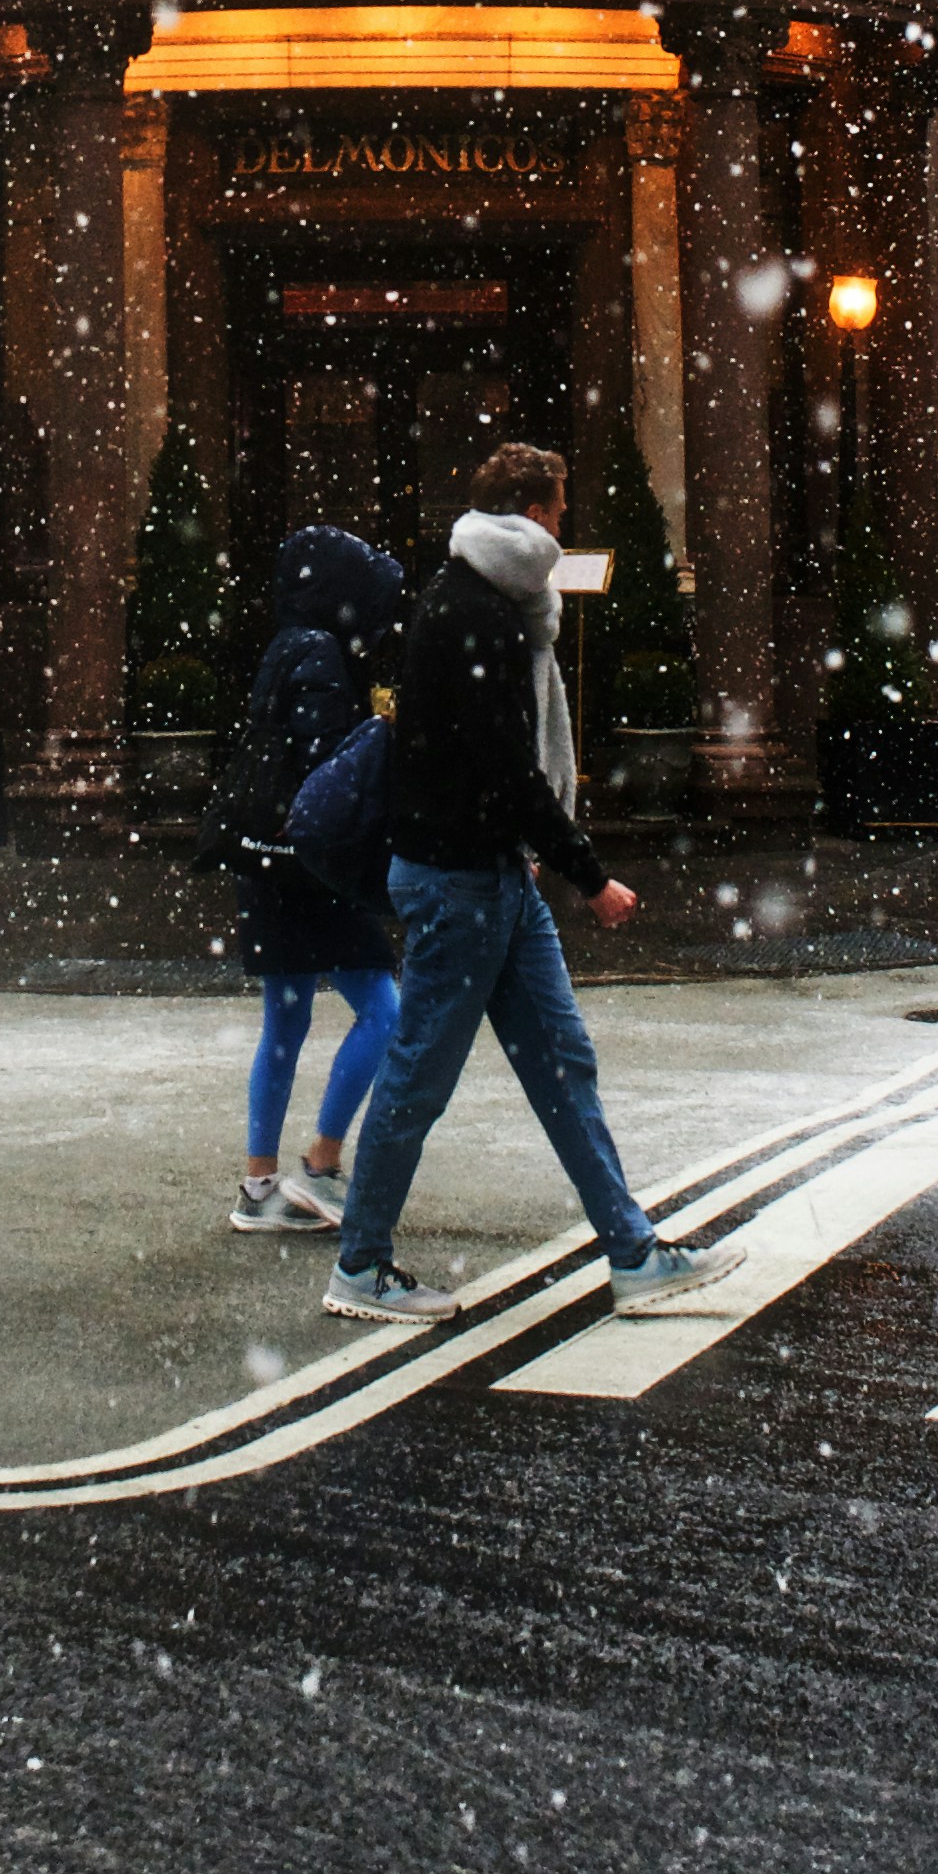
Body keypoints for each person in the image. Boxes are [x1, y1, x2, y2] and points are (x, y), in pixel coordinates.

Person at [324, 441, 740, 1327]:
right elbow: (506, 765)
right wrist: (589, 874)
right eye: (558, 507)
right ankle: (359, 1265)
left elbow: (484, 760)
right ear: (532, 514)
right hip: (462, 880)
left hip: (489, 874)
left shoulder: (485, 601)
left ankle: (633, 1254)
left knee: (561, 1064)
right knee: (422, 1076)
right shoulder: (478, 612)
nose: (564, 522)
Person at [220, 528, 406, 1234]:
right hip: (309, 868)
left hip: (266, 860)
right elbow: (326, 776)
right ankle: (320, 1165)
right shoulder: (323, 655)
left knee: (285, 1024)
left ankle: (259, 1186)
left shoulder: (285, 645)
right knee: (384, 1014)